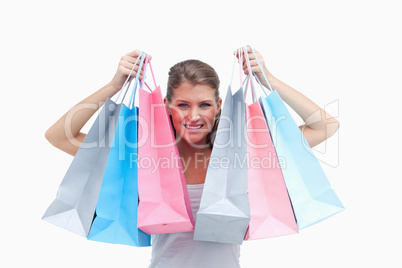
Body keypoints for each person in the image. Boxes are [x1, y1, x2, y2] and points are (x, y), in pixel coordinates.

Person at [45, 48, 339, 267]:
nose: (194, 116)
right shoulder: (144, 159)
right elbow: (58, 136)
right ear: (166, 105)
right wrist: (114, 86)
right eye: (183, 104)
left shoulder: (243, 155)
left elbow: (325, 126)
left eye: (205, 104)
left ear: (219, 105)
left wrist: (268, 79)